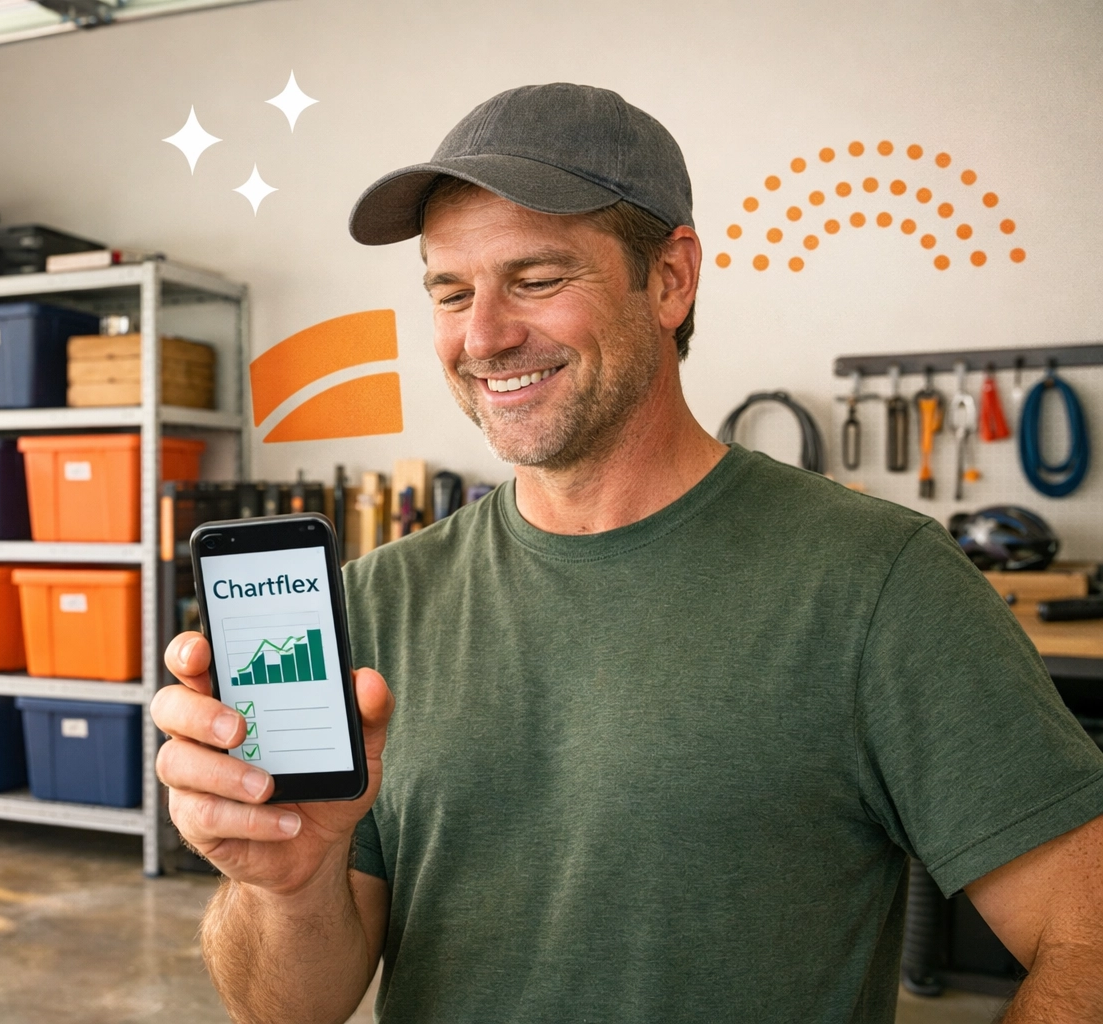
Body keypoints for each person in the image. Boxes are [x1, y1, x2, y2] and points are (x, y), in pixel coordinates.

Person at [150, 83, 1103, 1023]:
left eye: (537, 279)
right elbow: (289, 1010)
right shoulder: (379, 601)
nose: (483, 335)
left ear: (672, 279)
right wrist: (288, 883)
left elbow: (1086, 937)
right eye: (450, 290)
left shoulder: (878, 584)